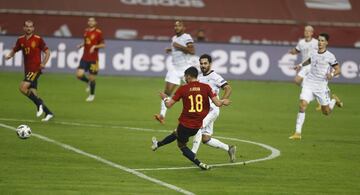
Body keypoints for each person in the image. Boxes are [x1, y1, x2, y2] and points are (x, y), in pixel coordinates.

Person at [151, 66, 231, 170]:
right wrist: (224, 101)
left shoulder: (183, 88)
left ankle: (199, 163)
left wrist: (165, 97)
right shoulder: (206, 87)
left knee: (181, 145)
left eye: (185, 76)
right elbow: (217, 103)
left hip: (185, 123)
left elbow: (169, 105)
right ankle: (157, 144)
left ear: (188, 76)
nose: (184, 78)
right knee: (176, 133)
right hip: (197, 125)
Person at [289, 33, 343, 140]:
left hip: (321, 87)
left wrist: (331, 74)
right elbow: (309, 60)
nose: (320, 42)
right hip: (309, 83)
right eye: (319, 40)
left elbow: (338, 70)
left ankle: (333, 101)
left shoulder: (330, 56)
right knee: (302, 104)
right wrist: (300, 65)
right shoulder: (313, 52)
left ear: (326, 43)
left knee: (326, 112)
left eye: (322, 41)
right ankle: (297, 133)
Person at [5, 20, 54, 121]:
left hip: (35, 68)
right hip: (27, 70)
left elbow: (48, 52)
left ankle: (39, 104)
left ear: (33, 28)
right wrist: (9, 55)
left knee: (22, 87)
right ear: (24, 28)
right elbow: (15, 49)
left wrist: (43, 63)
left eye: (31, 26)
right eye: (27, 26)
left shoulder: (38, 39)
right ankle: (48, 113)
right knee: (33, 93)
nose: (29, 28)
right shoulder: (20, 40)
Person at [191, 54, 236, 162]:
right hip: (203, 110)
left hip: (212, 109)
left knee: (198, 127)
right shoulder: (200, 77)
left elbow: (228, 88)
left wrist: (222, 100)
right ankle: (229, 148)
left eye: (205, 63)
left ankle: (192, 154)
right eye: (201, 63)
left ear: (210, 64)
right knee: (205, 139)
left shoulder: (215, 76)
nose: (203, 65)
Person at [154, 20, 195, 124]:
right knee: (167, 92)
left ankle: (196, 115)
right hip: (175, 69)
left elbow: (192, 51)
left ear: (183, 27)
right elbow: (177, 49)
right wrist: (171, 50)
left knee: (193, 93)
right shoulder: (174, 38)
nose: (176, 28)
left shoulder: (186, 37)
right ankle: (162, 115)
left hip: (186, 69)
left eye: (179, 26)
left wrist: (178, 47)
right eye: (175, 26)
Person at [289, 25, 323, 111]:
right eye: (305, 31)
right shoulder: (301, 42)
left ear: (312, 33)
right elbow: (296, 50)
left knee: (299, 80)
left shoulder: (316, 42)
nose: (306, 32)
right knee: (297, 81)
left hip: (313, 66)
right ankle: (315, 96)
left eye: (308, 31)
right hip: (305, 66)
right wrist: (292, 52)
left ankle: (317, 99)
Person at [76, 17, 105, 102]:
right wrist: (81, 45)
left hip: (94, 60)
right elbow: (86, 42)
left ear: (95, 22)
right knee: (79, 75)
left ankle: (92, 95)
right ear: (88, 22)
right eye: (89, 21)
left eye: (92, 21)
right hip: (84, 58)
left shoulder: (98, 33)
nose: (91, 22)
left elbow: (103, 45)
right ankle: (87, 82)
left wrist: (95, 46)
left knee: (92, 78)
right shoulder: (86, 31)